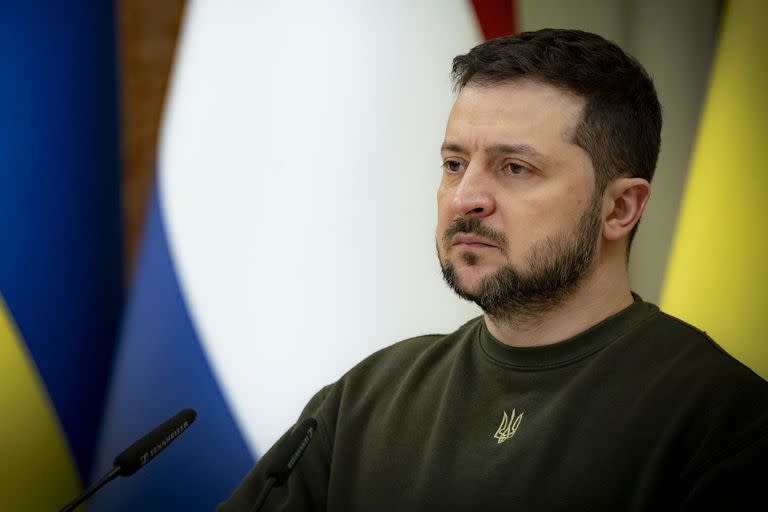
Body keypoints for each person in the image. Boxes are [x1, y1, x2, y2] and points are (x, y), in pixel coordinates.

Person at [219, 29, 768, 511]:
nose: (466, 197)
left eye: (515, 167)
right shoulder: (364, 400)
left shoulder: (723, 420)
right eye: (454, 164)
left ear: (620, 208)